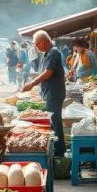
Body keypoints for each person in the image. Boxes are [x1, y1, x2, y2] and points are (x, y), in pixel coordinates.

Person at [22, 30, 66, 158]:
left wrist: (32, 83)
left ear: (45, 41)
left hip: (54, 93)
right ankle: (55, 148)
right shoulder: (46, 54)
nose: (36, 46)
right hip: (49, 93)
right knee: (53, 122)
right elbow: (44, 72)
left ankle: (59, 152)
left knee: (55, 122)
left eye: (37, 43)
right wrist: (33, 76)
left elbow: (48, 73)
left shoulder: (53, 52)